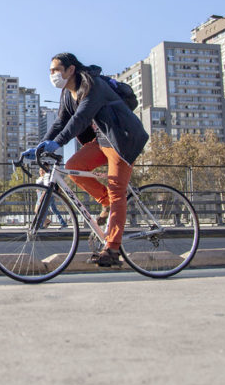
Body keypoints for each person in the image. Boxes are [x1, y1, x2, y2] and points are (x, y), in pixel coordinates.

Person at [22, 52, 149, 267]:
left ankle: (112, 248)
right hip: (103, 140)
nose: (52, 75)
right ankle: (107, 204)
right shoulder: (66, 93)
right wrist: (40, 146)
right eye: (50, 71)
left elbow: (80, 119)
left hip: (123, 139)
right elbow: (60, 122)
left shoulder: (93, 86)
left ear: (70, 70)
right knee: (73, 167)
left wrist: (58, 143)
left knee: (116, 188)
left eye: (56, 70)